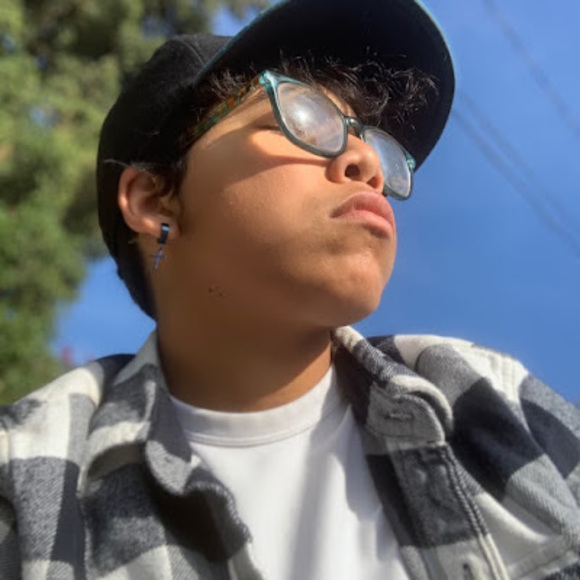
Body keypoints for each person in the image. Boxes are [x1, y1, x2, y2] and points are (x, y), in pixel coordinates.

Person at [1, 0, 579, 578]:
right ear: (155, 201)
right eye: (303, 116)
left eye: (378, 146)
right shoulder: (27, 482)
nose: (367, 162)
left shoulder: (495, 406)